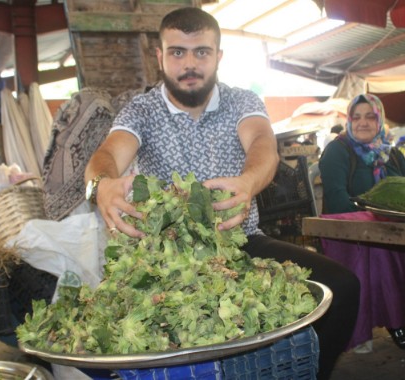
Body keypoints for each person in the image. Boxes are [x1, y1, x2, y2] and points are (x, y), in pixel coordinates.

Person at [84, 7, 360, 380]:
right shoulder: (142, 110)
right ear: (159, 57)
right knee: (98, 342)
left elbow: (263, 143)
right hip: (168, 259)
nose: (190, 63)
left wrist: (248, 182)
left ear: (218, 56)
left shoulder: (241, 102)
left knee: (341, 287)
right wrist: (102, 185)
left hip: (240, 241)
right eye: (177, 52)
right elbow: (108, 153)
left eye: (202, 51)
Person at [319, 94, 405, 350]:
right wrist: (375, 215)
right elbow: (337, 199)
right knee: (382, 251)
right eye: (356, 117)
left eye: (370, 116)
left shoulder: (392, 154)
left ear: (379, 119)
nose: (362, 123)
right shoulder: (338, 150)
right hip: (347, 231)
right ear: (349, 120)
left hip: (395, 229)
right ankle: (395, 321)